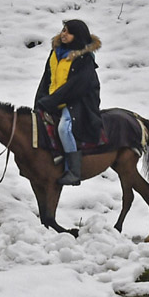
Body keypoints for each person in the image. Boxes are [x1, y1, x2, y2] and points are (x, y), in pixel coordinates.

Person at [34, 19, 102, 186]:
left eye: (68, 32)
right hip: (55, 98)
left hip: (78, 101)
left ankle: (73, 171)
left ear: (77, 36)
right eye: (63, 30)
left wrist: (51, 101)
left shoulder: (84, 59)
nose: (63, 34)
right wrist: (39, 102)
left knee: (64, 128)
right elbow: (46, 79)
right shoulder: (55, 53)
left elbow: (75, 87)